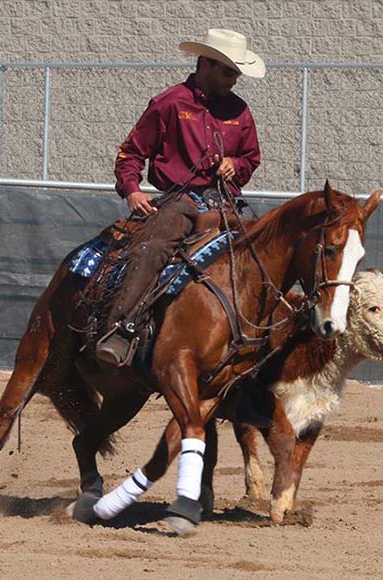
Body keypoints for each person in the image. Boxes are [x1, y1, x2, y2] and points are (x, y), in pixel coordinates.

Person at [96, 28, 265, 367]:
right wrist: (131, 190)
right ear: (206, 63)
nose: (234, 80)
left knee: (269, 249)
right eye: (228, 72)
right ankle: (122, 328)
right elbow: (130, 153)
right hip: (180, 200)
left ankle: (269, 340)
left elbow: (251, 158)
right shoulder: (168, 103)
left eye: (236, 73)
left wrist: (235, 163)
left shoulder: (240, 112)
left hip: (226, 203)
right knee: (156, 246)